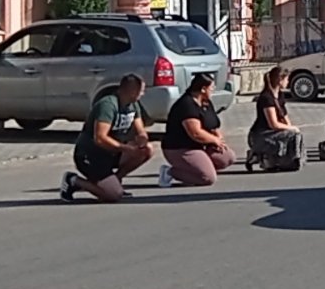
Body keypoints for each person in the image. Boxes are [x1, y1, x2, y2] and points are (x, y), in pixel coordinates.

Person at [60, 74, 152, 203]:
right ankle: (74, 181)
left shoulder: (133, 105)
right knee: (114, 196)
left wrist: (142, 140)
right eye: (141, 91)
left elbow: (140, 130)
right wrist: (127, 149)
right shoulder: (107, 105)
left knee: (147, 150)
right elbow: (100, 138)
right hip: (91, 155)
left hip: (112, 152)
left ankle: (116, 180)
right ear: (131, 90)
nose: (143, 94)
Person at [158, 74, 234, 187]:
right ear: (203, 89)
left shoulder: (206, 102)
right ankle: (170, 172)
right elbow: (195, 133)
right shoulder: (187, 105)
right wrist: (214, 140)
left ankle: (198, 168)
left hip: (201, 145)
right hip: (181, 148)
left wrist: (218, 138)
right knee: (207, 178)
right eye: (211, 87)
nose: (213, 90)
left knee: (227, 157)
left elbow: (213, 125)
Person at [247, 67, 303, 172]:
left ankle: (289, 161)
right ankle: (257, 154)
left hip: (273, 133)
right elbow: (273, 124)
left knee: (294, 135)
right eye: (287, 79)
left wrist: (291, 128)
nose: (288, 82)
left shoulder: (280, 96)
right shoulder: (266, 98)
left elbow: (285, 117)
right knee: (293, 134)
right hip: (261, 134)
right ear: (280, 80)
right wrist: (291, 130)